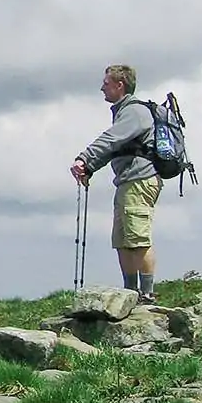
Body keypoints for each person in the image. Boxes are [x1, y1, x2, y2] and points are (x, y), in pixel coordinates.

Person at [70, 64, 161, 302]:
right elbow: (117, 148)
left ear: (120, 85)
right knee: (123, 239)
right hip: (128, 181)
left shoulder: (134, 112)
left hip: (139, 180)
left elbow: (111, 140)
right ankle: (131, 292)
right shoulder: (124, 113)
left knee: (138, 237)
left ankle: (147, 294)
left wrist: (84, 158)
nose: (102, 88)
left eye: (106, 83)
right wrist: (89, 167)